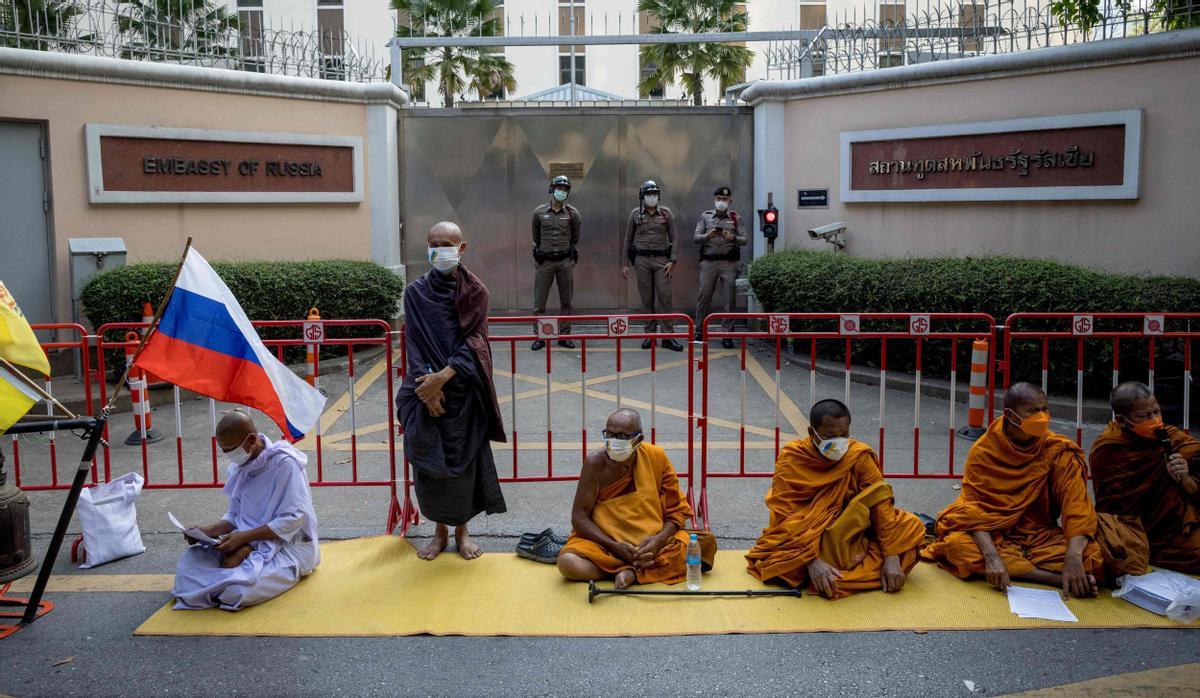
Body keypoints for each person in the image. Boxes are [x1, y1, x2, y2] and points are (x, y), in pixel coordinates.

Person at [923, 382, 1104, 598]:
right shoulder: (985, 451)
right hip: (995, 533)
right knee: (957, 547)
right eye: (1032, 411)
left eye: (1044, 409)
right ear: (1010, 415)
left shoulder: (1057, 451)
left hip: (1040, 534)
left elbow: (1078, 507)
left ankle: (1041, 569)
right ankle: (1053, 578)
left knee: (1093, 555)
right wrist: (992, 557)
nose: (1042, 417)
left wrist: (1073, 557)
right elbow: (973, 511)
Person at [395, 221, 507, 561]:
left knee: (466, 465)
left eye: (447, 243)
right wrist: (425, 386)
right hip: (424, 388)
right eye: (434, 243)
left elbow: (476, 343)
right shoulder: (415, 293)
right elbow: (412, 341)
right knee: (430, 465)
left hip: (462, 389)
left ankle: (462, 531)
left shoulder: (476, 293)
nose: (440, 249)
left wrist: (442, 378)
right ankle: (439, 532)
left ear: (461, 248)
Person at [744, 399, 925, 598]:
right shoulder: (793, 458)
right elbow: (785, 516)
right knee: (783, 564)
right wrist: (811, 560)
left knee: (910, 529)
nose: (839, 442)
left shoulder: (858, 455)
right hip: (809, 539)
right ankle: (834, 573)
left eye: (844, 435)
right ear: (812, 433)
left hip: (851, 534)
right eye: (830, 436)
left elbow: (880, 505)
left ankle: (834, 575)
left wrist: (891, 555)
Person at [172, 411, 319, 611]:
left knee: (236, 593)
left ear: (251, 440)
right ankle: (243, 555)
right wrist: (207, 531)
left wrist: (244, 538)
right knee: (190, 564)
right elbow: (235, 515)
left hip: (289, 547)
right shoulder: (238, 467)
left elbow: (293, 519)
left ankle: (245, 555)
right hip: (245, 539)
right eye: (223, 450)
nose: (228, 455)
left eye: (230, 449)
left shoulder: (285, 464)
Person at [557, 408, 699, 589]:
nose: (614, 442)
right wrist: (615, 547)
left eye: (622, 437)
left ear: (638, 439)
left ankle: (629, 571)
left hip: (651, 544)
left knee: (702, 545)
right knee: (568, 563)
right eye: (610, 434)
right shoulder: (595, 463)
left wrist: (658, 540)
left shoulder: (656, 457)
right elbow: (579, 517)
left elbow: (676, 512)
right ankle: (628, 569)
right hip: (607, 543)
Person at [1089, 381, 1200, 573]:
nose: (1155, 420)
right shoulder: (1109, 448)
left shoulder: (1173, 439)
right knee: (1117, 557)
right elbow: (1112, 508)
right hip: (1132, 530)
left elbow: (1194, 490)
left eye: (1156, 412)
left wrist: (1184, 477)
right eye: (1145, 416)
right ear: (1123, 421)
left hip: (1175, 529)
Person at [621, 180, 684, 352]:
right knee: (646, 299)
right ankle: (649, 335)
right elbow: (628, 239)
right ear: (642, 196)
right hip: (641, 261)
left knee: (665, 298)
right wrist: (625, 264)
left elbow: (674, 239)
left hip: (661, 262)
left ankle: (668, 337)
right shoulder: (635, 214)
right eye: (648, 194)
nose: (652, 197)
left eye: (654, 194)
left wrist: (672, 260)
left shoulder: (666, 214)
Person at [693, 186, 747, 349]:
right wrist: (707, 236)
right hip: (708, 263)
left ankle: (727, 334)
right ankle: (699, 331)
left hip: (728, 264)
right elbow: (696, 237)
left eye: (724, 199)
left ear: (730, 201)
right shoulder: (705, 217)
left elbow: (745, 239)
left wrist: (733, 237)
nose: (721, 202)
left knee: (729, 300)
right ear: (714, 200)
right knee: (704, 297)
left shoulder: (735, 218)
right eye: (719, 199)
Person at [530, 175, 581, 351]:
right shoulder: (539, 212)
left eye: (565, 189)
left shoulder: (572, 213)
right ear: (552, 190)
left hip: (564, 262)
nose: (562, 192)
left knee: (566, 301)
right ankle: (541, 337)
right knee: (539, 303)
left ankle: (564, 336)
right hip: (545, 262)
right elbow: (535, 236)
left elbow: (575, 237)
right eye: (559, 188)